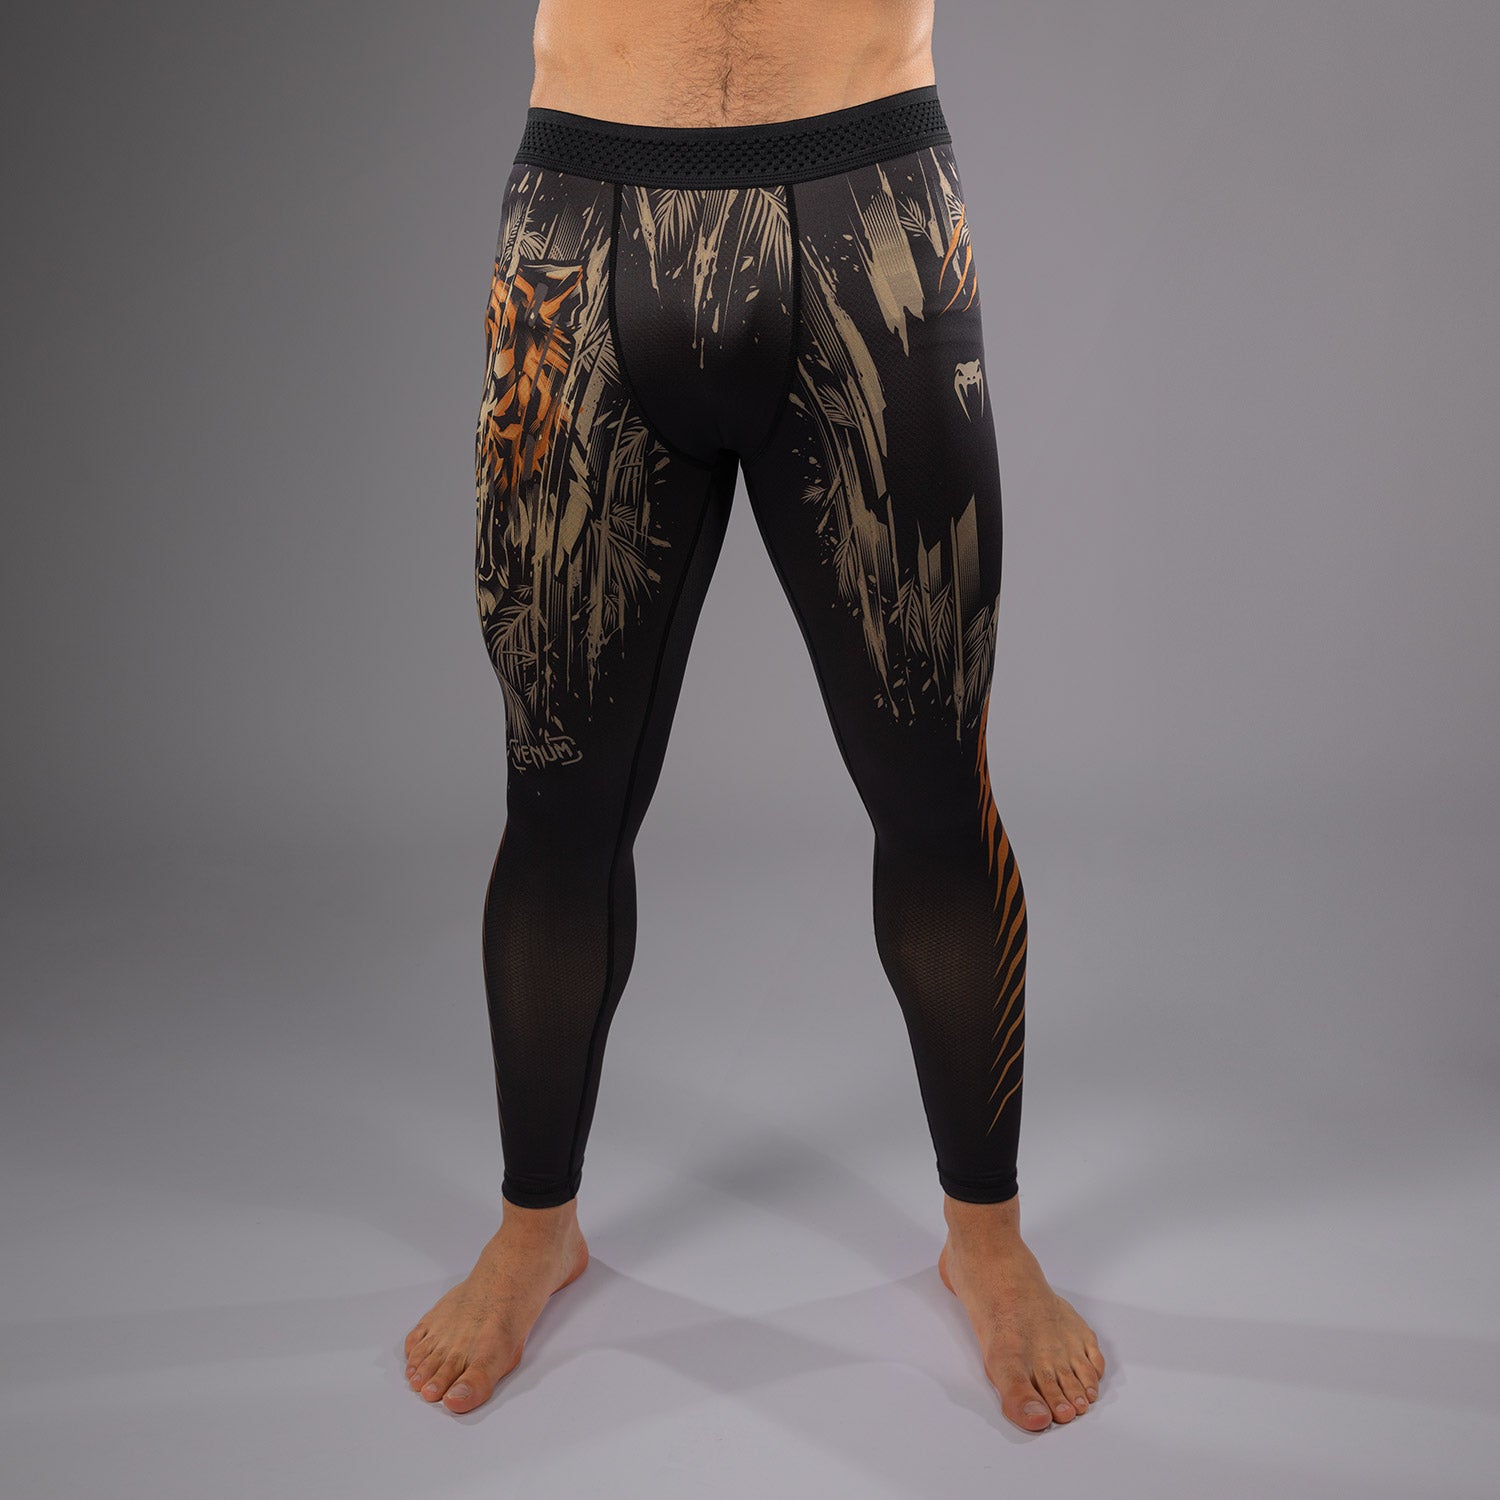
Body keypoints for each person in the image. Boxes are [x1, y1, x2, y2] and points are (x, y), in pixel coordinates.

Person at [404, 0, 1106, 1432]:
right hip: (580, 220)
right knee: (557, 801)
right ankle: (535, 1227)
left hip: (870, 204)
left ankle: (987, 1239)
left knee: (935, 792)